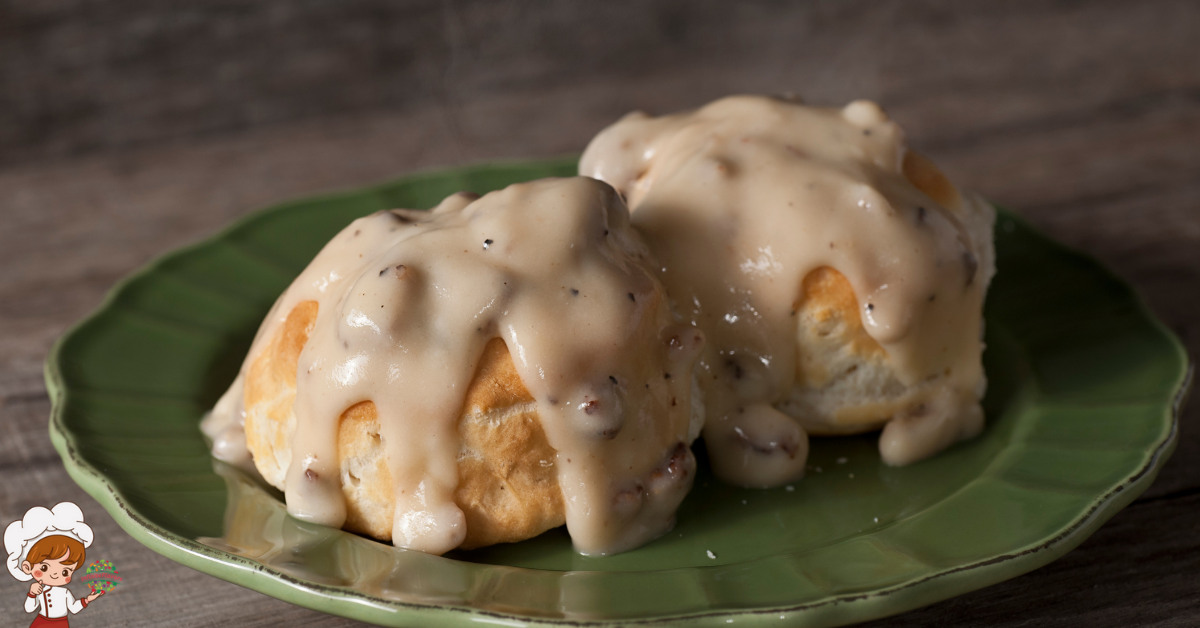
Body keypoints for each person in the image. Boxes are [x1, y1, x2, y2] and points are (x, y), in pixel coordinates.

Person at [5, 503, 105, 627]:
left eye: (65, 572)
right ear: (27, 567)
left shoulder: (65, 593)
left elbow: (73, 608)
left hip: (61, 624)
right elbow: (29, 609)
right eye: (44, 567)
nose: (54, 574)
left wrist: (88, 599)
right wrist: (32, 594)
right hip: (41, 623)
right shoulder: (39, 590)